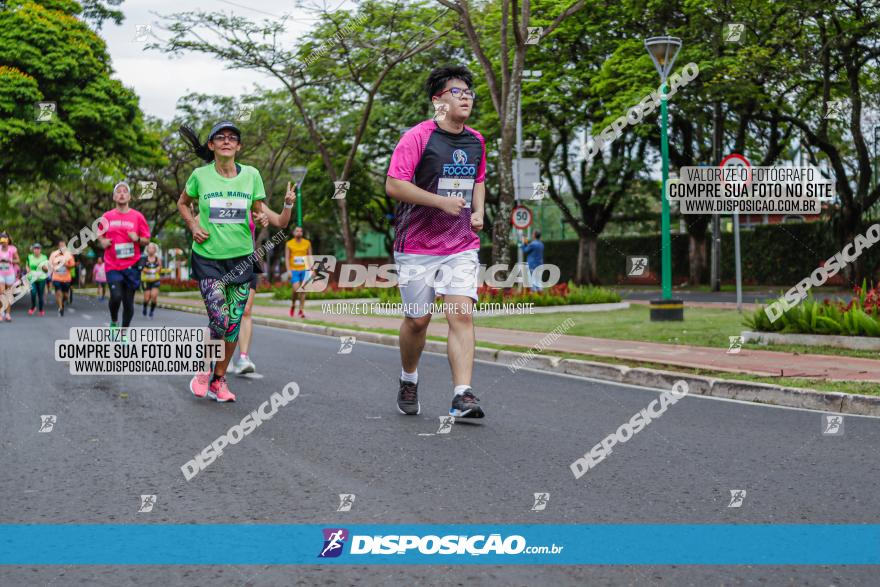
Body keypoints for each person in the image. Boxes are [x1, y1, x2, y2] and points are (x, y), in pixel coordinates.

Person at [385, 65, 486, 418]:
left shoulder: (476, 141)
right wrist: (440, 201)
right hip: (416, 245)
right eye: (457, 92)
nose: (466, 98)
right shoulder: (416, 137)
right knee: (418, 321)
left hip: (460, 243)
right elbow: (394, 185)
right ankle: (408, 377)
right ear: (438, 101)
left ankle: (463, 394)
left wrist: (478, 211)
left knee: (461, 314)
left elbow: (479, 179)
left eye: (469, 93)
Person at [177, 121, 270, 403]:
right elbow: (182, 203)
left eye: (232, 138)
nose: (227, 141)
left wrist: (262, 217)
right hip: (208, 257)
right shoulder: (199, 176)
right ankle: (203, 371)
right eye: (221, 137)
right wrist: (193, 226)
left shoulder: (252, 175)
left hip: (241, 258)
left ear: (239, 146)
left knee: (232, 324)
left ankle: (219, 379)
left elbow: (258, 212)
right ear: (212, 145)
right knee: (219, 317)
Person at [232, 186, 296, 375]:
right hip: (221, 261)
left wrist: (287, 204)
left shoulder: (254, 202)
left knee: (246, 310)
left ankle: (243, 358)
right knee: (224, 314)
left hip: (248, 260)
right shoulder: (217, 198)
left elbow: (281, 221)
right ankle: (220, 356)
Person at [98, 182, 151, 332]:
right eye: (118, 192)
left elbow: (146, 239)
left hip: (132, 266)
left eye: (125, 191)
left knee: (128, 303)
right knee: (116, 296)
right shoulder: (107, 216)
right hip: (112, 265)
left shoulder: (138, 217)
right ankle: (114, 321)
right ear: (114, 197)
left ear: (129, 197)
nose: (121, 194)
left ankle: (124, 333)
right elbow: (99, 235)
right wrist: (103, 241)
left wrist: (137, 239)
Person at [285, 226, 312, 318]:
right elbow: (287, 258)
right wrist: (288, 270)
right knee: (296, 289)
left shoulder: (307, 243)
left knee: (303, 290)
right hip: (294, 270)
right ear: (293, 233)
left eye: (301, 231)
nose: (299, 232)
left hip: (304, 269)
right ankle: (293, 305)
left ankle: (301, 310)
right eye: (297, 231)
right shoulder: (289, 244)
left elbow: (309, 256)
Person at [49, 240, 75, 316]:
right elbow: (50, 265)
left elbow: (73, 265)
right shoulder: (54, 254)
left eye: (63, 246)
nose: (62, 247)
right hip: (56, 277)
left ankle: (62, 303)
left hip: (66, 278)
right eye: (61, 246)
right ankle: (60, 308)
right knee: (59, 293)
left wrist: (66, 264)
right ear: (58, 246)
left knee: (66, 296)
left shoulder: (69, 254)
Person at [0, 232, 21, 321]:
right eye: (2, 240)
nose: (3, 242)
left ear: (8, 241)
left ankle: (8, 314)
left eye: (5, 240)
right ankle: (1, 313)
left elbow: (18, 260)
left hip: (10, 274)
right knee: (1, 293)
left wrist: (9, 260)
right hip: (0, 274)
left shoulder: (12, 249)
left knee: (8, 295)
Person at [26, 243, 49, 316]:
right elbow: (27, 265)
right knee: (33, 293)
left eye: (38, 248)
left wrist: (45, 268)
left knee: (40, 295)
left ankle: (41, 310)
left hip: (41, 278)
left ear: (40, 250)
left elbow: (46, 269)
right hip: (32, 278)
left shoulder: (44, 257)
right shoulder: (29, 257)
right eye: (35, 248)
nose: (36, 250)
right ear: (33, 250)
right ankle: (33, 307)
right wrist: (28, 270)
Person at [141, 243, 162, 319]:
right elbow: (142, 268)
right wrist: (152, 271)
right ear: (147, 249)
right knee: (147, 298)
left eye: (153, 248)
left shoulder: (157, 259)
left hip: (155, 280)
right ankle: (145, 307)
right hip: (146, 281)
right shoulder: (144, 258)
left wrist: (158, 269)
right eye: (149, 248)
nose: (151, 249)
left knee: (154, 296)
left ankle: (151, 311)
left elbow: (160, 268)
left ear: (155, 249)